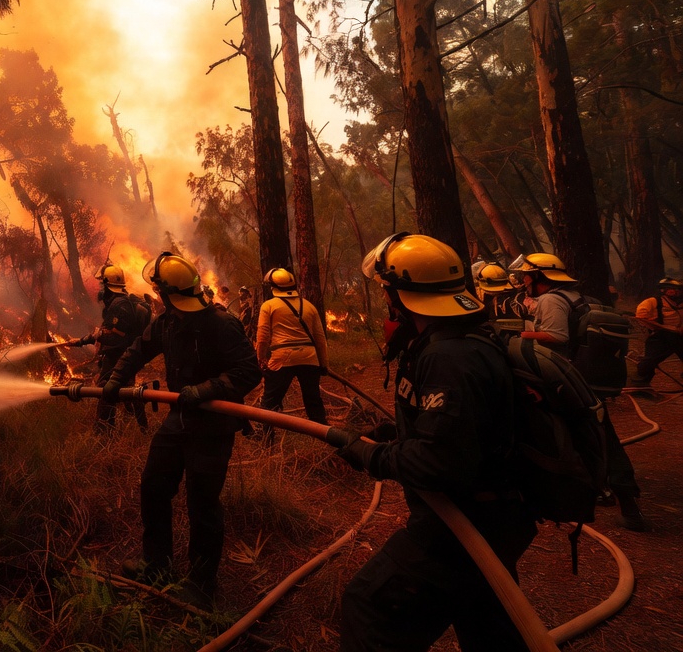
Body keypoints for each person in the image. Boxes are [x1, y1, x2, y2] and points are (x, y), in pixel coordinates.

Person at [334, 232, 537, 652]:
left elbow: (439, 463)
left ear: (399, 295)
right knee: (488, 628)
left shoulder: (449, 357)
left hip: (463, 525)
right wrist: (396, 431)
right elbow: (460, 426)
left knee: (368, 610)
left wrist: (371, 454)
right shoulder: (454, 339)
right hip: (491, 517)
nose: (387, 302)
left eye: (388, 292)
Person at [102, 251, 261, 609]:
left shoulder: (222, 324)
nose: (157, 297)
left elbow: (249, 372)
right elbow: (138, 349)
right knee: (153, 486)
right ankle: (156, 564)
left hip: (214, 424)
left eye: (159, 291)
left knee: (202, 503)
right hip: (179, 418)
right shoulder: (167, 321)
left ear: (166, 292)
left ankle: (202, 583)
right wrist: (116, 377)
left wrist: (207, 389)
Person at [508, 252, 645, 530]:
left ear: (538, 276)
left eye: (526, 275)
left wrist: (517, 336)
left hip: (568, 379)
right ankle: (612, 492)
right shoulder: (573, 296)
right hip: (581, 376)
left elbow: (558, 336)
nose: (523, 280)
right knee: (594, 432)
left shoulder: (550, 299)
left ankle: (622, 499)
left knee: (592, 434)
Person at [255, 268, 329, 440]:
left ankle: (265, 438)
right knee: (313, 400)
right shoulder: (309, 306)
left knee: (270, 401)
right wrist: (323, 364)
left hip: (282, 358)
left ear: (272, 286)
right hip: (309, 358)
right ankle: (325, 437)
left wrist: (261, 358)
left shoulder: (269, 306)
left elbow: (263, 336)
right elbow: (320, 338)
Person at [85, 263, 149, 432]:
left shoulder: (119, 305)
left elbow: (116, 337)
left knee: (106, 391)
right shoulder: (123, 301)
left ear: (107, 285)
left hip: (117, 357)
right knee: (127, 392)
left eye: (101, 284)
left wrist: (96, 337)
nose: (99, 288)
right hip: (128, 355)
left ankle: (103, 433)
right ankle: (142, 428)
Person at [631, 277, 683, 386]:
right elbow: (641, 316)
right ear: (663, 290)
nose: (674, 291)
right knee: (649, 362)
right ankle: (640, 385)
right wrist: (661, 326)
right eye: (670, 289)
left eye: (677, 289)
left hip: (679, 337)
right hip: (661, 337)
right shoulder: (653, 301)